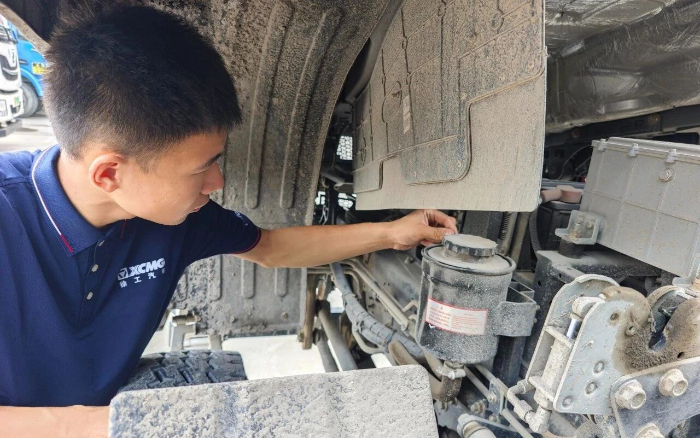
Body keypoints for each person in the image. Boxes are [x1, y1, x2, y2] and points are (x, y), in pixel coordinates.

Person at [0, 4, 457, 437]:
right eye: (201, 168)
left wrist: (392, 232)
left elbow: (272, 248)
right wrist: (102, 426)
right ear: (109, 174)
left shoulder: (176, 219)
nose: (216, 182)